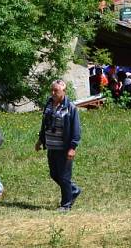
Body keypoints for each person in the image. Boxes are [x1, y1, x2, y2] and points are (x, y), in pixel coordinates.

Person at [36, 79, 82, 211]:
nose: (53, 93)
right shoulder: (49, 104)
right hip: (51, 146)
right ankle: (74, 190)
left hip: (64, 148)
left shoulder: (70, 108)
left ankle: (66, 205)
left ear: (64, 91)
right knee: (54, 174)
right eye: (52, 90)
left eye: (56, 90)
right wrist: (40, 140)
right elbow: (44, 124)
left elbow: (76, 129)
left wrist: (72, 148)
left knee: (64, 176)